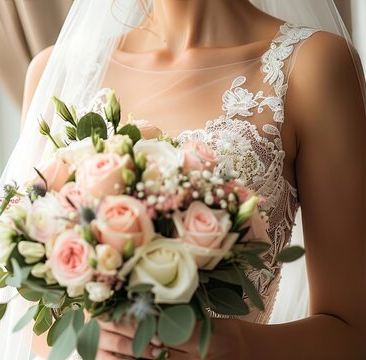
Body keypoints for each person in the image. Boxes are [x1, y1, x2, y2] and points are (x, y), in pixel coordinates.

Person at [23, 1, 366, 359]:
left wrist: (237, 343)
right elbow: (30, 323)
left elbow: (353, 334)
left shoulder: (312, 64)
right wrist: (87, 333)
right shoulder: (57, 71)